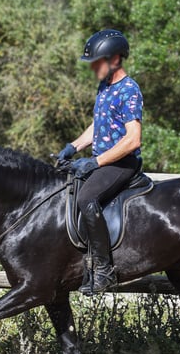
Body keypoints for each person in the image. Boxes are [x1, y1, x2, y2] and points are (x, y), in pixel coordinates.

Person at [56, 29, 143, 295]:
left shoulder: (129, 90)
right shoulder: (104, 87)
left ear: (115, 59)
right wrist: (74, 146)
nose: (93, 68)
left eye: (97, 62)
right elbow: (100, 126)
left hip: (122, 164)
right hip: (104, 161)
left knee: (86, 199)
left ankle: (104, 271)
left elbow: (133, 139)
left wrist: (95, 163)